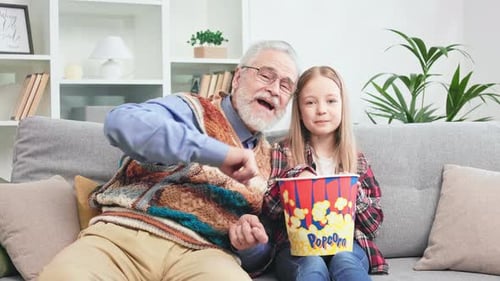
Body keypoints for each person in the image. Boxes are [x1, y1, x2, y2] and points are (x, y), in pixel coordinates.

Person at [38, 40, 300, 281]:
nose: (274, 90)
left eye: (285, 85)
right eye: (266, 75)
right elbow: (122, 123)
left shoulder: (275, 160)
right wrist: (219, 153)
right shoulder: (189, 109)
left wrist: (252, 248)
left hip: (208, 255)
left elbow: (264, 254)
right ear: (238, 78)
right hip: (126, 237)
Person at [241, 66, 389, 280]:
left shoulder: (357, 160)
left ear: (342, 106)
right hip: (297, 248)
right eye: (310, 102)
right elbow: (268, 211)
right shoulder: (284, 152)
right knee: (311, 265)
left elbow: (373, 226)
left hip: (346, 246)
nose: (321, 110)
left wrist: (353, 195)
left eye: (331, 101)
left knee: (345, 262)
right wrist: (295, 180)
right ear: (299, 110)